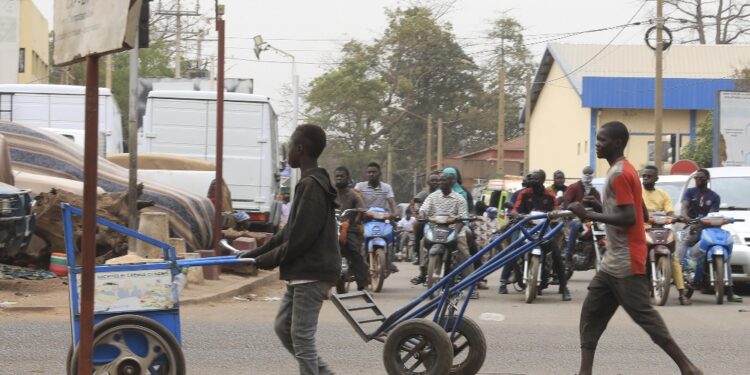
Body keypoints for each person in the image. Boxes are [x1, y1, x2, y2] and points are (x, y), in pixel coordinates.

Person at [568, 121, 702, 375]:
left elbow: (630, 217)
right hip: (613, 261)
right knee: (591, 313)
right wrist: (601, 209)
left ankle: (688, 368)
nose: (597, 144)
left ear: (617, 143)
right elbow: (640, 211)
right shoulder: (624, 170)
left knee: (646, 317)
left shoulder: (619, 174)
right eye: (597, 139)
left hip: (628, 261)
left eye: (602, 140)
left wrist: (589, 214)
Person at [237, 124, 340, 375]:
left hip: (311, 273)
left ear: (300, 149)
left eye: (290, 147)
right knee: (284, 328)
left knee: (302, 339)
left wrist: (265, 261)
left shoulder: (312, 186)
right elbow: (288, 232)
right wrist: (253, 254)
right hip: (302, 273)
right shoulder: (308, 183)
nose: (288, 152)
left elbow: (300, 240)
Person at [500, 169, 571, 301]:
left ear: (542, 180)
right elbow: (516, 209)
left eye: (536, 178)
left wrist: (557, 216)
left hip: (544, 228)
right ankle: (508, 278)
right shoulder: (524, 194)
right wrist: (517, 215)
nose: (532, 181)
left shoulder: (550, 196)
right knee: (513, 249)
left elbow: (556, 210)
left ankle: (564, 287)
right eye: (531, 178)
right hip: (526, 227)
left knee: (556, 253)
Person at [678, 168, 742, 302]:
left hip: (708, 228)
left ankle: (729, 290)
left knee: (725, 253)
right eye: (696, 178)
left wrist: (706, 222)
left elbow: (712, 214)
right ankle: (679, 272)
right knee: (686, 242)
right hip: (693, 226)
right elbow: (684, 208)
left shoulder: (714, 197)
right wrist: (687, 219)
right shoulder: (690, 192)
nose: (697, 180)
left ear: (707, 180)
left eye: (700, 178)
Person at [415, 172, 477, 297]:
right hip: (435, 227)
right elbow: (423, 209)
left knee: (463, 251)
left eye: (445, 180)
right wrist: (422, 215)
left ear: (452, 182)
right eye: (440, 181)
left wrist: (456, 233)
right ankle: (424, 272)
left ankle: (472, 286)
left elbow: (463, 218)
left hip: (455, 229)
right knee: (423, 242)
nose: (441, 183)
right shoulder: (433, 196)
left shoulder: (459, 198)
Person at [641, 165, 691, 305]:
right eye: (644, 176)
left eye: (649, 176)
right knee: (634, 254)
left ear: (656, 178)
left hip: (660, 228)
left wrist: (676, 217)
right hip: (641, 229)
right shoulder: (637, 192)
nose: (645, 178)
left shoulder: (663, 194)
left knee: (673, 257)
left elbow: (669, 212)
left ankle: (682, 293)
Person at [354, 162, 399, 273]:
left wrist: (395, 213)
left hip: (382, 218)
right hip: (364, 218)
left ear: (380, 173)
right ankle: (355, 260)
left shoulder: (386, 187)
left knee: (393, 231)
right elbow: (355, 199)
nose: (371, 174)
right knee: (355, 234)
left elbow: (392, 202)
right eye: (369, 172)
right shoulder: (360, 186)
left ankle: (389, 260)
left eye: (374, 172)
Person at [334, 166, 369, 291]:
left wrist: (360, 212)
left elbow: (362, 208)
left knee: (355, 252)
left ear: (347, 178)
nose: (339, 178)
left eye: (341, 176)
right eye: (337, 176)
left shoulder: (354, 195)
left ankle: (362, 283)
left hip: (349, 228)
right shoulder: (330, 192)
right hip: (332, 227)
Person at [410, 172, 441, 279]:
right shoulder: (424, 194)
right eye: (433, 180)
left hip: (442, 223)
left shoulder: (443, 194)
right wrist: (418, 214)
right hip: (428, 222)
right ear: (428, 182)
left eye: (437, 180)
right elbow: (413, 204)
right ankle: (417, 254)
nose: (435, 182)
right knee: (418, 225)